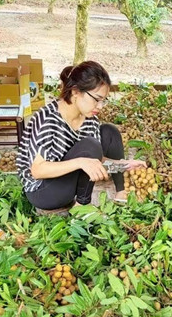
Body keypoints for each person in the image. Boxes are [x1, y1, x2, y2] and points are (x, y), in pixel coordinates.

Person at [16, 60, 145, 210]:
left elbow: (95, 161)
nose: (100, 106)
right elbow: (38, 171)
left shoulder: (90, 119)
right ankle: (82, 206)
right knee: (90, 145)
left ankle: (119, 193)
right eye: (96, 99)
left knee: (109, 131)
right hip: (43, 191)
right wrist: (80, 162)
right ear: (75, 91)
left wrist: (122, 165)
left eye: (104, 101)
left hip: (68, 182)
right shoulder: (47, 119)